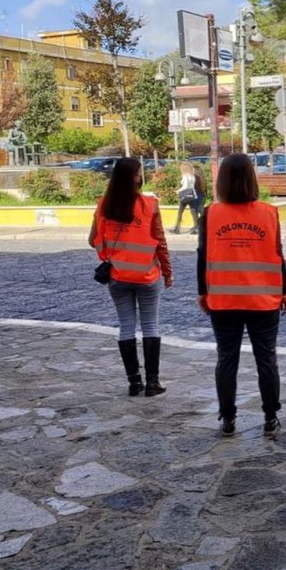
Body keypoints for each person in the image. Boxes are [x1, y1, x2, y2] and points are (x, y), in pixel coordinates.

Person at [196, 153, 286, 438]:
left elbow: (202, 255)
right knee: (267, 359)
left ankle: (227, 418)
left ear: (222, 181)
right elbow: (278, 254)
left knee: (227, 359)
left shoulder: (211, 214)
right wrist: (284, 291)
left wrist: (202, 292)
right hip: (264, 299)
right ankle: (270, 416)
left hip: (223, 300)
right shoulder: (269, 213)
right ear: (252, 178)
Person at [89, 157, 173, 397]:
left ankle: (134, 382)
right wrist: (167, 272)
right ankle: (152, 383)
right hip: (147, 275)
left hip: (117, 276)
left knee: (126, 326)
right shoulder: (149, 205)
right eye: (139, 173)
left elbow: (93, 240)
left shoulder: (104, 205)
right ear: (135, 178)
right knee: (150, 325)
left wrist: (109, 255)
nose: (141, 176)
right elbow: (160, 242)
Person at [171, 162, 198, 235]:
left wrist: (178, 191)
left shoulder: (185, 176)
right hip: (192, 195)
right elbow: (192, 186)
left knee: (180, 212)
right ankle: (196, 228)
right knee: (193, 211)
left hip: (185, 196)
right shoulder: (192, 176)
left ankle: (177, 228)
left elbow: (185, 186)